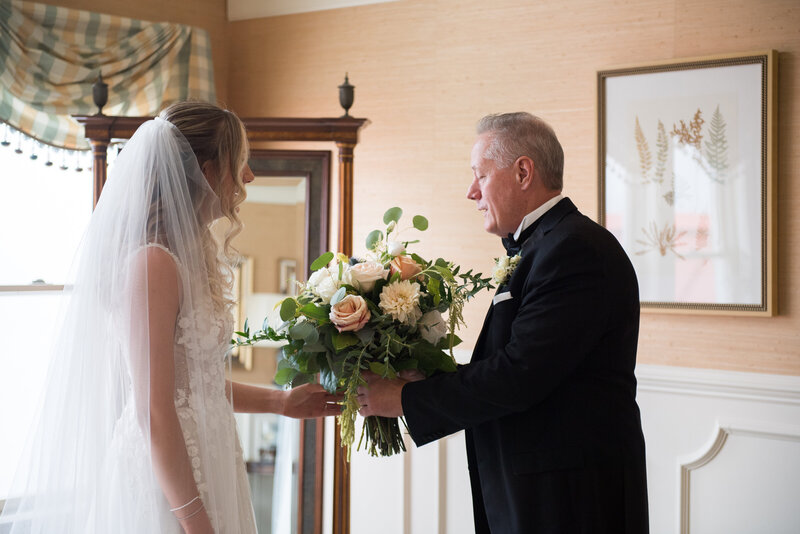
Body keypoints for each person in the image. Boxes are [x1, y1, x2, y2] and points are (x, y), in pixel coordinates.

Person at [0, 102, 341, 534]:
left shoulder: (192, 251)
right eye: (241, 162)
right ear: (208, 169)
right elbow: (154, 410)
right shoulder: (153, 263)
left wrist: (280, 402)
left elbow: (192, 381)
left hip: (211, 460)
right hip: (165, 482)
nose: (249, 176)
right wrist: (195, 521)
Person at [358, 112, 649, 533]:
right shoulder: (547, 245)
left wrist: (404, 399)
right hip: (543, 491)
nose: (471, 191)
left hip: (570, 501)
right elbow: (518, 364)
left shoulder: (573, 250)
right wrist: (422, 380)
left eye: (480, 175)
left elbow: (519, 374)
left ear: (523, 171)